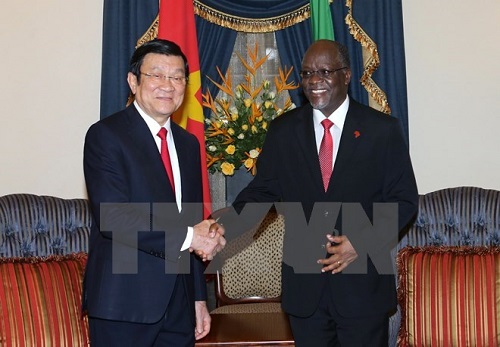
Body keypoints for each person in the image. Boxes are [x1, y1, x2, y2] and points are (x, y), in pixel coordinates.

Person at [222, 40, 419, 346]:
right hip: (305, 293)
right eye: (307, 73)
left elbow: (404, 200)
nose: (314, 80)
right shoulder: (283, 131)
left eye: (325, 71)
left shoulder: (382, 130)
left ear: (347, 75)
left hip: (362, 288)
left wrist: (361, 241)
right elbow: (260, 193)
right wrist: (218, 228)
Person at [83, 39, 225, 347]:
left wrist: (199, 298)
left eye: (177, 77)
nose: (168, 85)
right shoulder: (106, 136)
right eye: (156, 75)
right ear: (133, 81)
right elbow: (114, 218)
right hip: (124, 304)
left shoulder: (189, 145)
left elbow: (190, 220)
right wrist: (191, 237)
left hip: (179, 305)